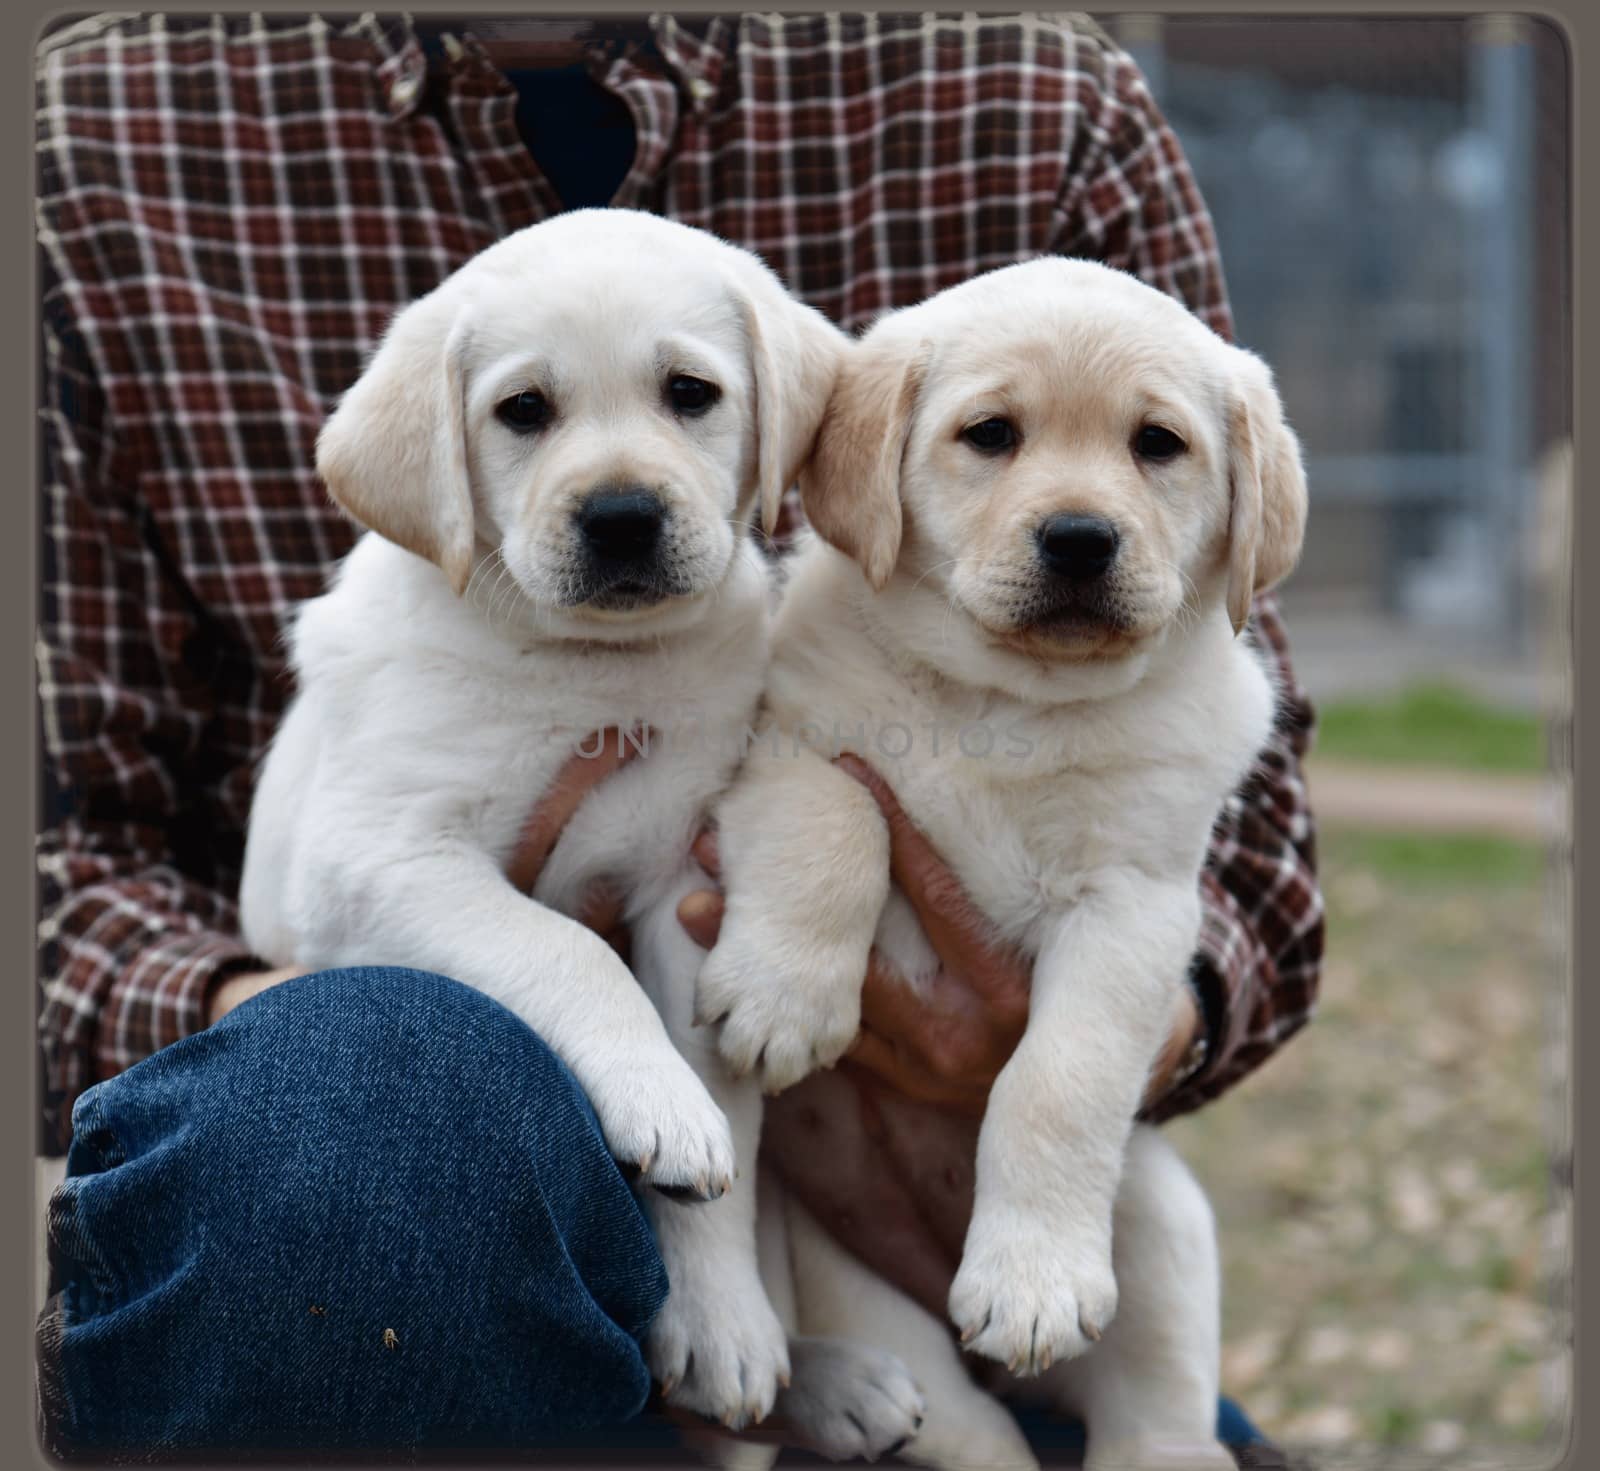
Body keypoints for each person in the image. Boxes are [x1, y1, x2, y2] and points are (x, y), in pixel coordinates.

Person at [35, 10, 1324, 1461]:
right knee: (367, 1105)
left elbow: (1245, 842)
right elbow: (61, 854)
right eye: (526, 414)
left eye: (692, 400)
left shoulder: (1032, 97)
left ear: (785, 439)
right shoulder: (96, 125)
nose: (622, 486)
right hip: (330, 1173)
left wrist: (1063, 1051)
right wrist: (286, 1038)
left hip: (867, 1221)